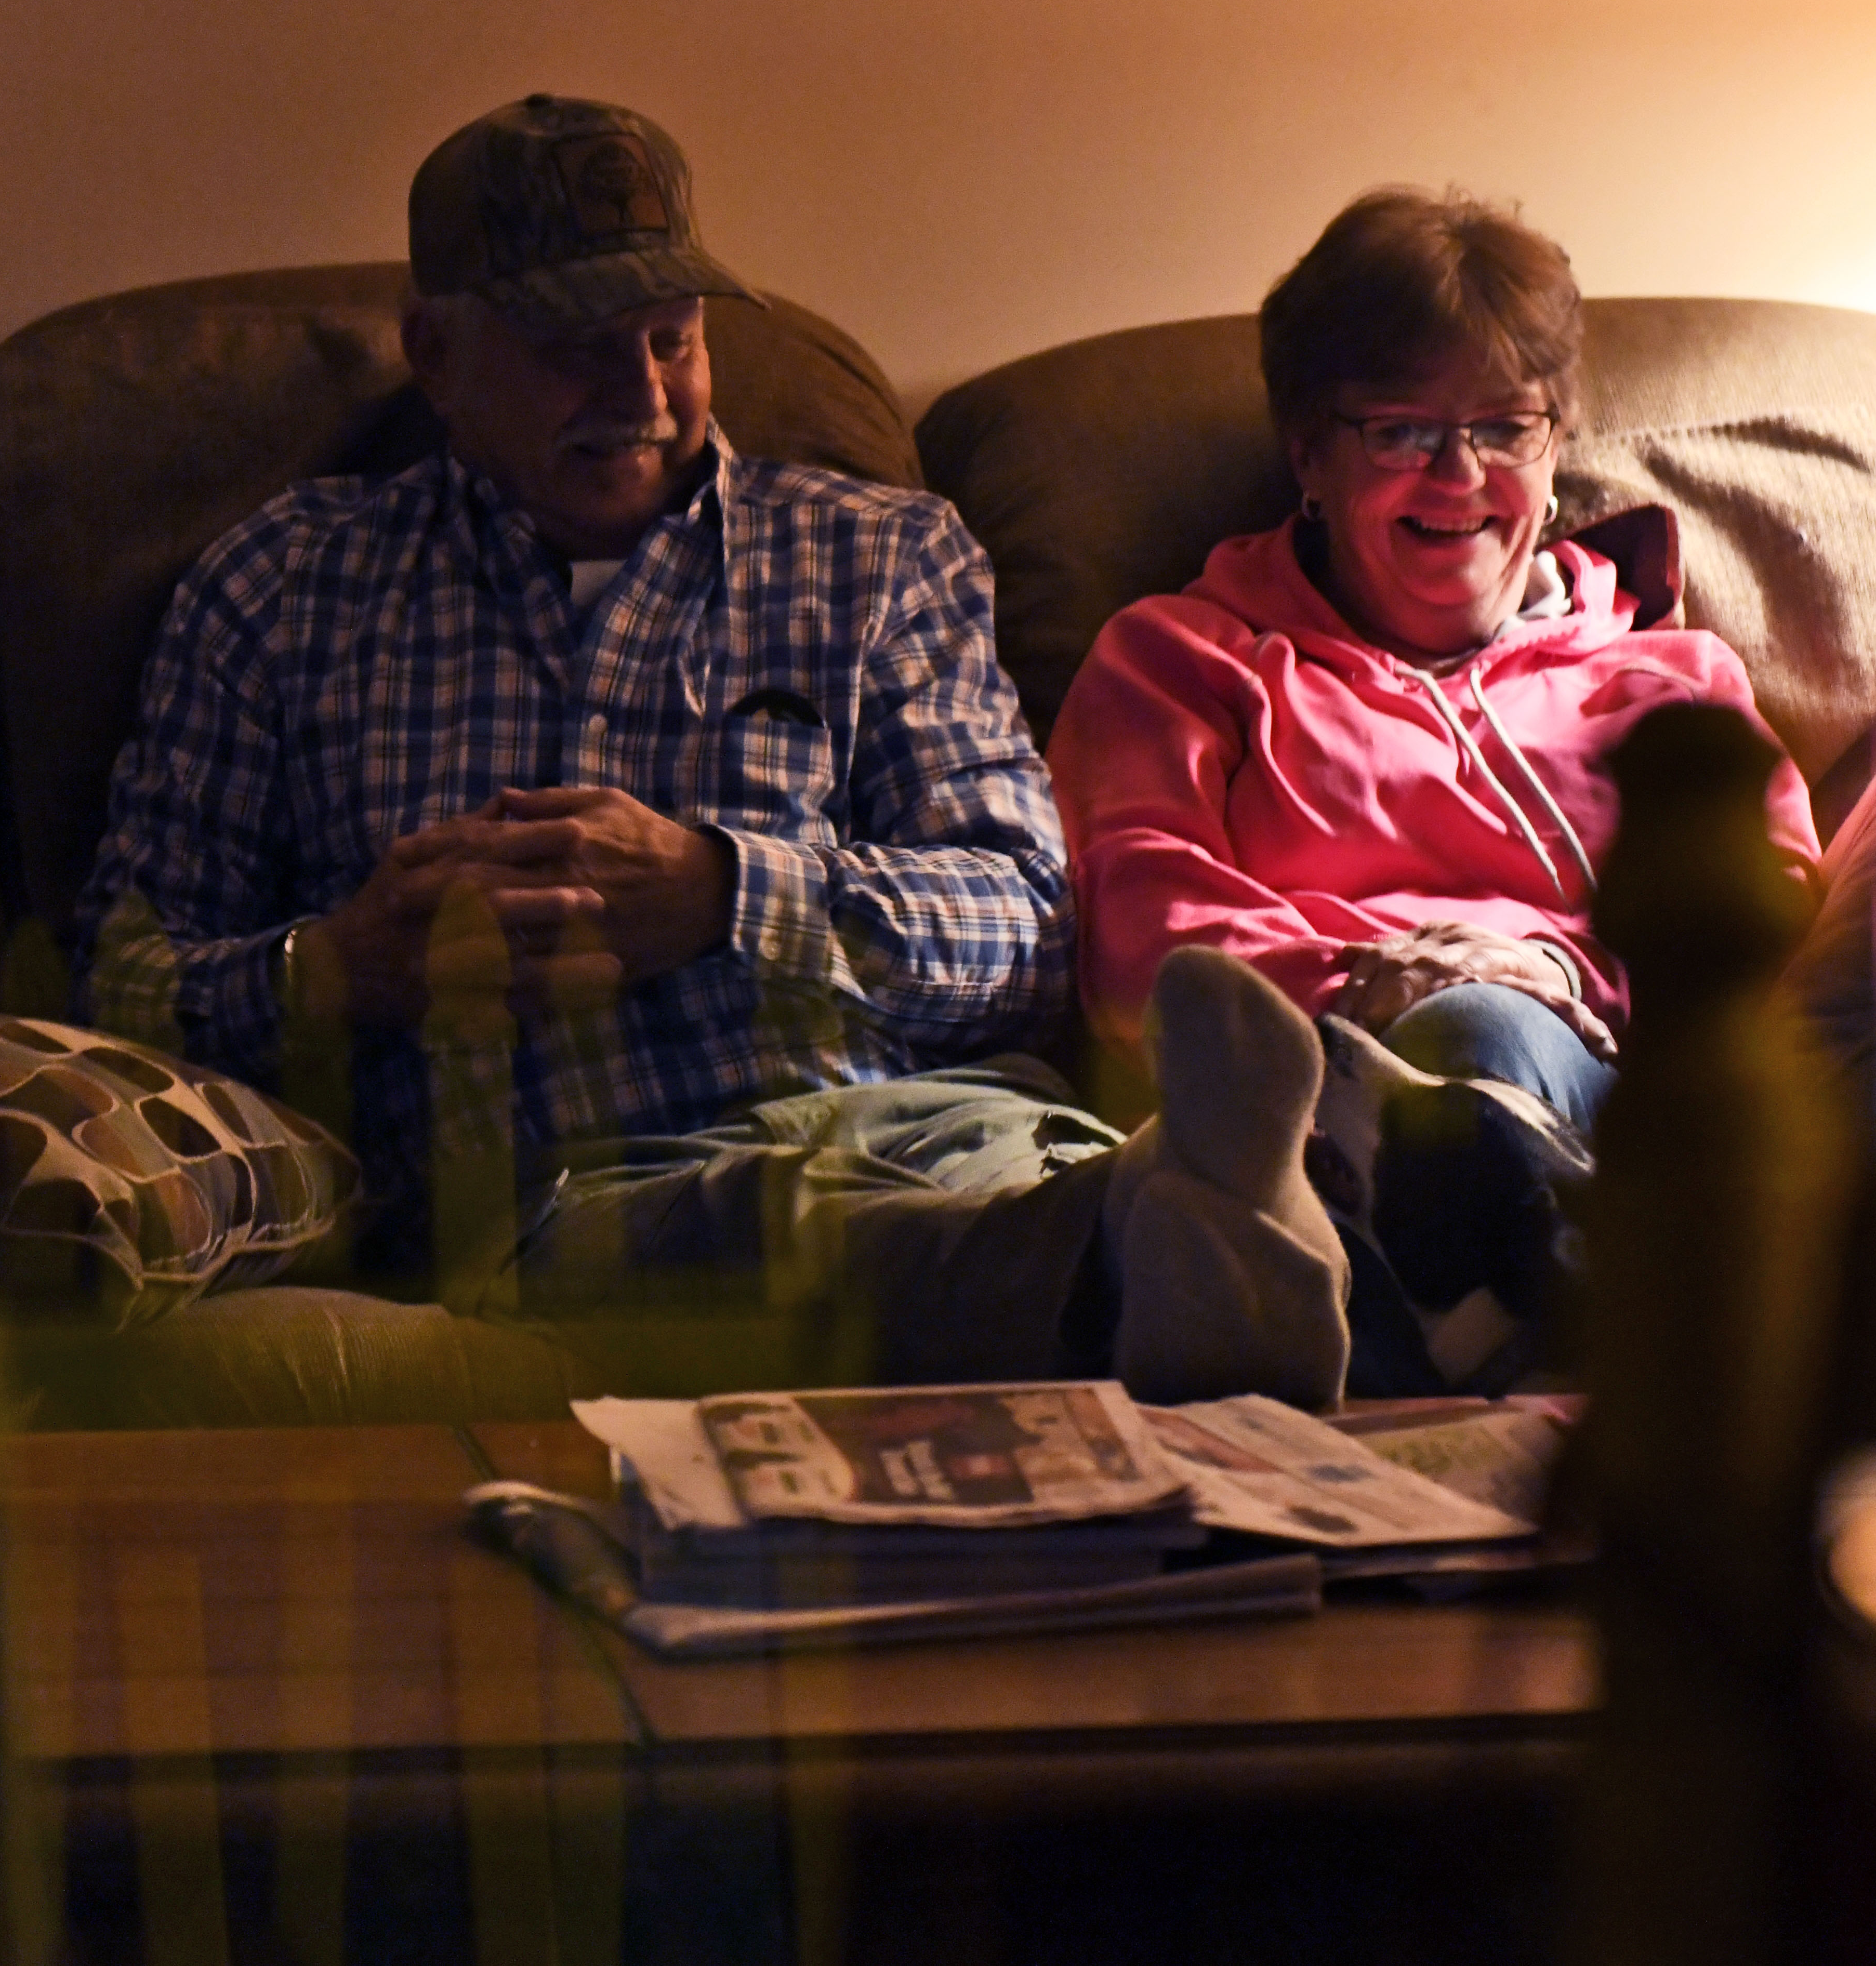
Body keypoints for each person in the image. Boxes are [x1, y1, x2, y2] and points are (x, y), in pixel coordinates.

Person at [77, 95, 1357, 1402]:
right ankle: (1172, 1240)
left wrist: (725, 892)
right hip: (590, 1189)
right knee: (802, 1229)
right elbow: (120, 979)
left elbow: (1027, 933)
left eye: (671, 339)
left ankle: (1202, 1226)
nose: (639, 394)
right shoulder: (286, 585)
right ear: (434, 351)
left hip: (949, 1123)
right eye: (576, 350)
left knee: (1000, 1175)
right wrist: (339, 967)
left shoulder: (879, 556)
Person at [1048, 185, 1821, 1390]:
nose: (1459, 472)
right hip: (1326, 1100)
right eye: (1402, 429)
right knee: (1451, 1045)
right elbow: (1139, 922)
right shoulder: (1179, 660)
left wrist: (1568, 974)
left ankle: (1498, 1316)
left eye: (1505, 426)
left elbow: (1768, 904)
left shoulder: (1669, 673)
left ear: (1554, 447)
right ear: (1308, 453)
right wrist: (1374, 980)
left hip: (1628, 1085)